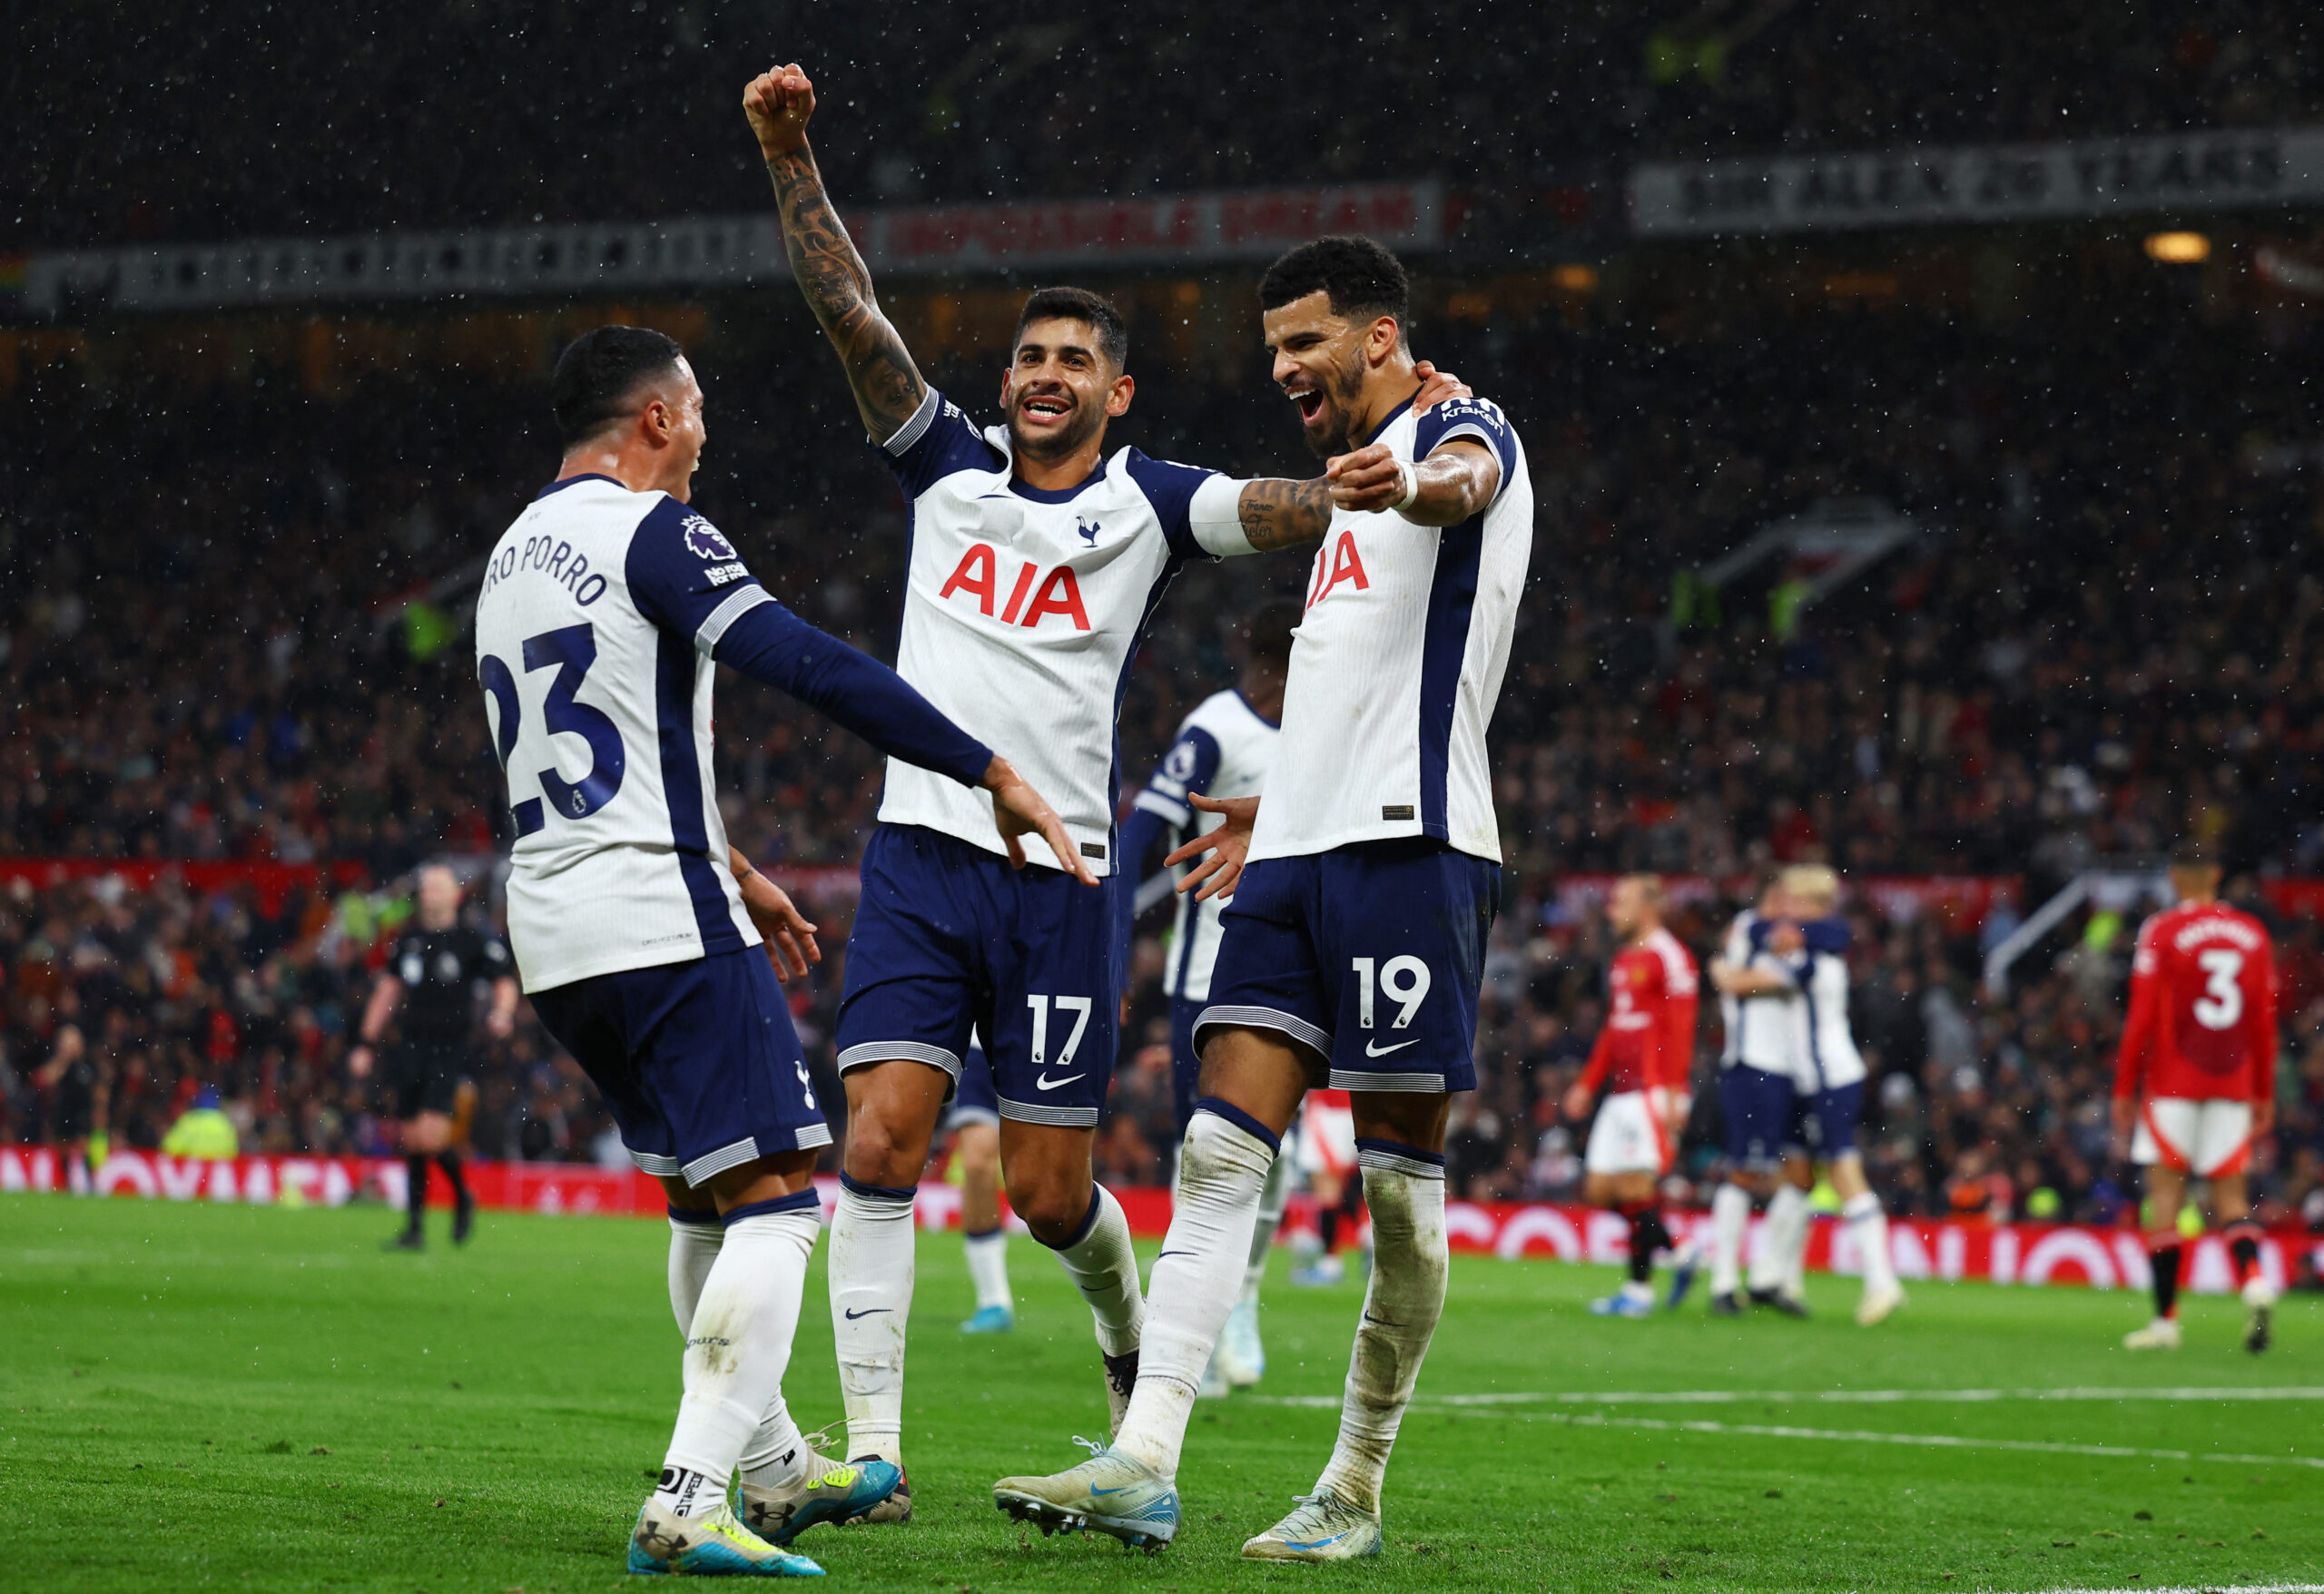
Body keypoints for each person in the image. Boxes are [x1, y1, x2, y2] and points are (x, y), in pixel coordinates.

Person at [743, 64, 1463, 1515]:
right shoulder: (943, 468)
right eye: (1029, 356)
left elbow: (1285, 505)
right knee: (878, 1135)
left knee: (1050, 1196)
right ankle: (874, 1453)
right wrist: (789, 152)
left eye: (1075, 359)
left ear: (1116, 390)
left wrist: (1390, 472)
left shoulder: (1148, 503)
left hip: (1059, 880)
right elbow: (849, 310)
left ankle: (1127, 1344)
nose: (1044, 374)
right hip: (921, 852)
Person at [480, 322, 1081, 1574]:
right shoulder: (655, 529)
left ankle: (775, 1467)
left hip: (555, 924)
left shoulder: (509, 552)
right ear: (653, 420)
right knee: (777, 1206)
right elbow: (802, 661)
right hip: (658, 913)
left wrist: (743, 867)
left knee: (701, 1195)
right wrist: (985, 767)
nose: (705, 433)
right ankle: (694, 1495)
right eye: (694, 411)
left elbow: (603, 742)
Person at [996, 233, 1531, 1560]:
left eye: (1306, 342)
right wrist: (1282, 798)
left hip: (1417, 849)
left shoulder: (1456, 426)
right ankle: (1145, 1459)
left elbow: (1464, 486)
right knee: (1219, 1149)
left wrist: (1405, 478)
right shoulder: (1344, 487)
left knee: (1398, 1190)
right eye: (1274, 346)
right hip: (1296, 851)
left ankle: (1352, 1486)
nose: (1284, 366)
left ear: (1379, 337)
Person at [1118, 602, 1293, 1383]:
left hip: (1296, 967)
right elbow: (1141, 828)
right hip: (1208, 975)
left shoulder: (1333, 726)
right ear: (1270, 668)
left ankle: (1243, 1303)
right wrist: (1108, 931)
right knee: (1210, 1154)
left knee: (1274, 1155)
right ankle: (1196, 1324)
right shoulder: (1215, 728)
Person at [2112, 841, 2281, 1353]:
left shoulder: (2162, 931)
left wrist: (2124, 1087)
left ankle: (2165, 1321)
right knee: (2231, 1201)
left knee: (2165, 1198)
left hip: (2172, 1083)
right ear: (2216, 875)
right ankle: (2253, 1280)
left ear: (2173, 876)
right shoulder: (2252, 934)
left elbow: (2141, 1017)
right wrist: (2263, 1090)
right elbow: (2263, 1020)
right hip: (2232, 1082)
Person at [1757, 866, 1905, 1326]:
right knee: (1797, 1174)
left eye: (1796, 903)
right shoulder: (1815, 946)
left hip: (1831, 1081)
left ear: (1816, 908)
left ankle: (1883, 1282)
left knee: (1842, 1172)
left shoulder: (1820, 957)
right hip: (1805, 1082)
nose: (1786, 911)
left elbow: (1798, 964)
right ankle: (1775, 1276)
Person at [349, 864, 517, 1250]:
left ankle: (460, 1198)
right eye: (425, 889)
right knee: (411, 1137)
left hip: (451, 1047)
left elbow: (503, 979)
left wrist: (502, 1013)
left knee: (431, 1135)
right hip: (411, 1045)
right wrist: (364, 1042)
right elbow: (388, 992)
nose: (429, 895)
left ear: (455, 895)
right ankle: (415, 1229)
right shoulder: (409, 941)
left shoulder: (470, 940)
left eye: (437, 888)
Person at [1561, 875, 1699, 1318]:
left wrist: (1675, 1092)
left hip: (1654, 1090)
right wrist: (1588, 1082)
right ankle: (1679, 1251)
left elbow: (1682, 1028)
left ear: (1648, 907)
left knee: (1636, 1187)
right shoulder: (1623, 959)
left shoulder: (1670, 957)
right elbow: (1613, 1028)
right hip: (1620, 1091)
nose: (1611, 909)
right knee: (1599, 1188)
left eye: (1620, 901)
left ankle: (1638, 1293)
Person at [1700, 879, 1805, 1314]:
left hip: (1798, 1072)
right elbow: (1734, 981)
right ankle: (1724, 1281)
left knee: (1801, 1175)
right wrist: (1739, 976)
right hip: (1754, 1065)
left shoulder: (1802, 937)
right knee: (1744, 1169)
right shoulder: (1751, 927)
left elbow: (1735, 977)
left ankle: (1769, 1275)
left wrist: (1735, 975)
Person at [948, 1036, 1014, 1333]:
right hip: (976, 1045)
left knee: (1051, 1185)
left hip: (1040, 1040)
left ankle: (1115, 1304)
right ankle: (994, 1300)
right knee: (976, 1164)